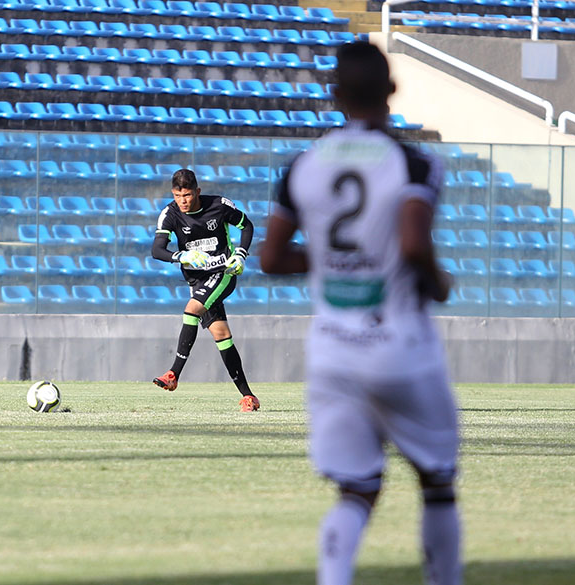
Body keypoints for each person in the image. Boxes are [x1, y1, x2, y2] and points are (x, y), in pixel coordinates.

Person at [260, 42, 461, 585]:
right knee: (437, 480)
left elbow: (272, 258)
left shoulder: (303, 165)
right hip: (398, 346)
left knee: (356, 489)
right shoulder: (414, 162)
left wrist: (330, 261)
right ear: (392, 91)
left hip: (332, 350)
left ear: (335, 94)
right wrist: (438, 281)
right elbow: (413, 243)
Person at [151, 168, 260, 412]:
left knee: (192, 310)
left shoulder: (219, 205)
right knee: (222, 336)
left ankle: (173, 374)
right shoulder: (169, 214)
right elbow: (157, 250)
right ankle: (249, 397)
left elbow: (247, 225)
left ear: (197, 191)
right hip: (197, 282)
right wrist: (180, 256)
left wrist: (241, 254)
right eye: (178, 196)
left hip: (223, 273)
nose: (183, 201)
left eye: (187, 195)